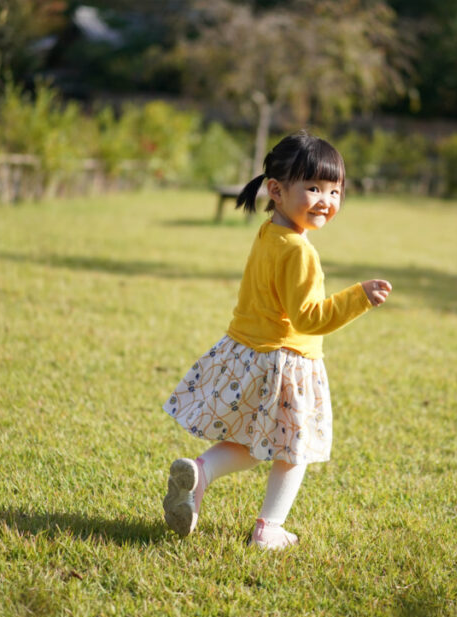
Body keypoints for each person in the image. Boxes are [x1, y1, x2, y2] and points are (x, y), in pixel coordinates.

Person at [162, 130, 392, 550]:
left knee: (254, 439)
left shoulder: (271, 232)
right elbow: (308, 318)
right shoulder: (300, 252)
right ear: (277, 190)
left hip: (248, 350)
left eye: (334, 190)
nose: (325, 200)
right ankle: (269, 528)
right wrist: (358, 298)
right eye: (313, 188)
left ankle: (201, 473)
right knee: (292, 451)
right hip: (287, 360)